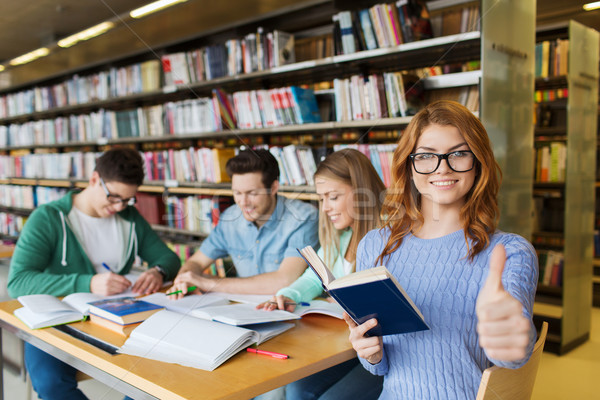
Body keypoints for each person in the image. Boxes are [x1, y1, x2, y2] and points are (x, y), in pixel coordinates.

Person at [344, 100, 538, 399]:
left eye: (459, 153)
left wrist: (510, 337)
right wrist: (369, 353)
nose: (442, 168)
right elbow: (378, 368)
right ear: (409, 165)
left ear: (479, 162)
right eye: (425, 156)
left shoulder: (510, 252)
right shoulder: (375, 245)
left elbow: (515, 357)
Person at [7, 147, 181, 400]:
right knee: (50, 381)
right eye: (113, 197)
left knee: (152, 374)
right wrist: (87, 282)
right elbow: (18, 282)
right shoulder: (48, 218)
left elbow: (169, 258)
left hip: (116, 319)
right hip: (56, 321)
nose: (119, 206)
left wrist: (158, 271)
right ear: (93, 180)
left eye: (127, 199)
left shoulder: (130, 218)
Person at [260, 148, 385, 400]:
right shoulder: (340, 237)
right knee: (296, 389)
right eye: (321, 199)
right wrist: (288, 294)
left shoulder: (389, 239)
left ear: (362, 194)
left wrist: (341, 299)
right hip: (346, 347)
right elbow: (313, 277)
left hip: (381, 352)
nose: (325, 207)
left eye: (333, 196)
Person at [168, 148, 318, 297]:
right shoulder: (230, 218)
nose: (243, 202)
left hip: (294, 311)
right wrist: (184, 280)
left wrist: (209, 283)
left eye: (252, 193)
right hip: (243, 310)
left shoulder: (303, 219)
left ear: (273, 188)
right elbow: (197, 262)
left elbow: (284, 280)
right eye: (237, 193)